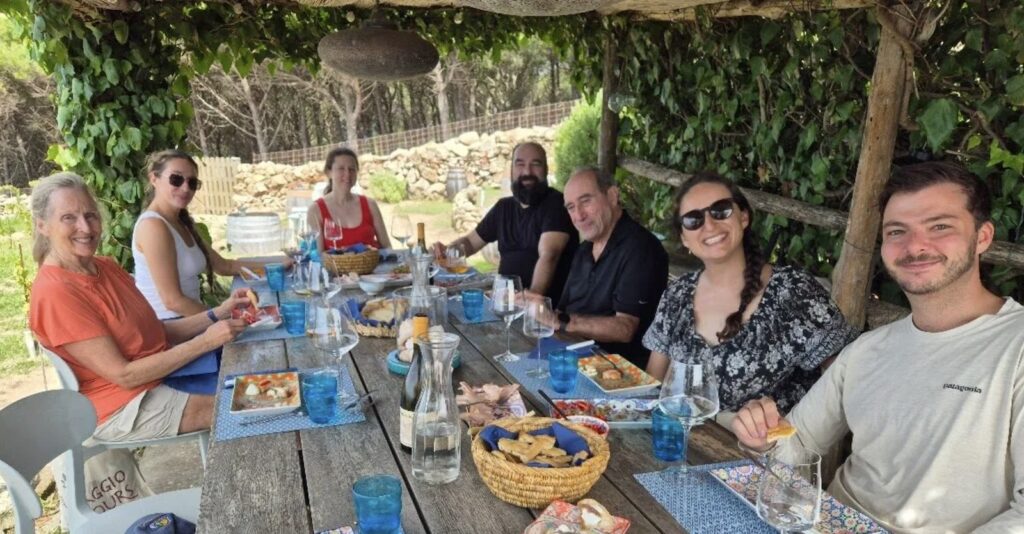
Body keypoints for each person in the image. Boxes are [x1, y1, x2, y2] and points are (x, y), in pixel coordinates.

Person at [732, 162, 1023, 533]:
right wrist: (761, 438)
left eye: (940, 226)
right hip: (830, 523)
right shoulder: (867, 350)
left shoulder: (1015, 345)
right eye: (897, 231)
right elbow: (799, 442)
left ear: (982, 237)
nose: (915, 246)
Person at [29, 172, 248, 442]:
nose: (85, 227)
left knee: (254, 375)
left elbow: (156, 332)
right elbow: (125, 375)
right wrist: (205, 341)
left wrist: (218, 313)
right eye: (68, 218)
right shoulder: (56, 292)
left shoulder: (106, 266)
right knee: (248, 403)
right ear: (43, 225)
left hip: (162, 375)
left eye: (91, 215)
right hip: (123, 404)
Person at [644, 173, 857, 412]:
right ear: (684, 238)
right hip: (681, 431)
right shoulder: (677, 295)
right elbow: (654, 384)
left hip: (774, 435)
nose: (709, 225)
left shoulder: (793, 291)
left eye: (721, 210)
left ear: (743, 217)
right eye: (694, 219)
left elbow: (847, 380)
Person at [133, 149, 290, 320]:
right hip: (170, 326)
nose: (185, 188)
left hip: (190, 320)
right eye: (176, 179)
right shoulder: (153, 226)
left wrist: (281, 263)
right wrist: (223, 317)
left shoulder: (181, 222)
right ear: (154, 179)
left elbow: (225, 266)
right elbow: (173, 302)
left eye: (192, 183)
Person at [433, 142, 578, 306]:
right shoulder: (504, 207)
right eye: (520, 164)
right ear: (512, 170)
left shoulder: (556, 204)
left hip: (546, 309)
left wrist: (533, 296)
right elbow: (471, 242)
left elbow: (549, 255)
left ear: (546, 170)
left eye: (535, 164)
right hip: (505, 302)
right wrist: (448, 251)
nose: (527, 172)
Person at [557, 167, 668, 369]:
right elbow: (564, 310)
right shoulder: (584, 249)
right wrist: (537, 308)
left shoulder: (641, 247)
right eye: (571, 207)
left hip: (618, 372)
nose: (579, 215)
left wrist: (562, 321)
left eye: (586, 201)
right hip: (574, 355)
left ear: (612, 196)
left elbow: (625, 329)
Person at [307, 147, 391, 253]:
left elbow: (387, 247)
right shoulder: (316, 210)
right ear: (329, 172)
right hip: (333, 265)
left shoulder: (370, 205)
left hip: (374, 264)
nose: (347, 174)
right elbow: (319, 256)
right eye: (341, 168)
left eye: (352, 169)